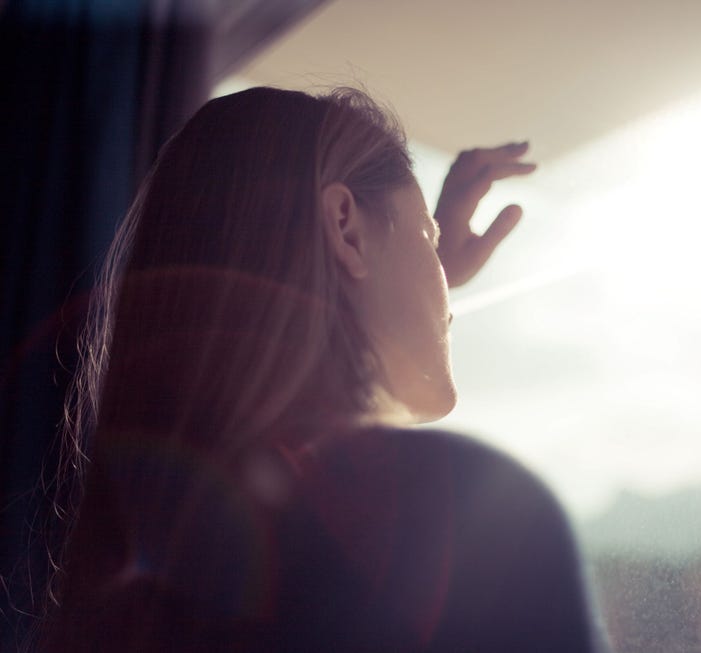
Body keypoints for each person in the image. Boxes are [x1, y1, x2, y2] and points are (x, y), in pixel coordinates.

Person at [40, 86, 601, 652]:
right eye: (429, 239)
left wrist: (409, 269)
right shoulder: (469, 514)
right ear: (344, 225)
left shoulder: (137, 554)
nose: (444, 280)